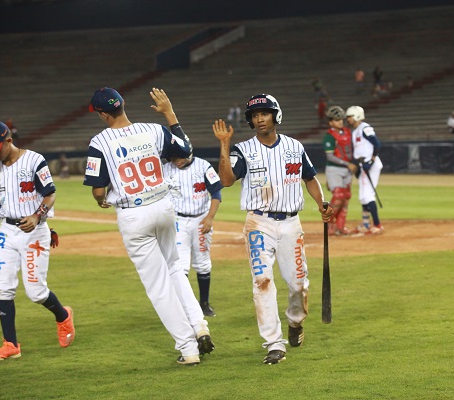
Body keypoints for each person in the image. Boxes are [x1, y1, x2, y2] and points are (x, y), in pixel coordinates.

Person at [84, 87, 213, 366]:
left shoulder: (99, 142)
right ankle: (199, 324)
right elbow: (186, 149)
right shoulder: (154, 130)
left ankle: (188, 348)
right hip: (164, 207)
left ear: (103, 114)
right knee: (175, 268)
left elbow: (97, 190)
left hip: (134, 215)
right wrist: (169, 114)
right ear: (123, 104)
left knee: (158, 286)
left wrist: (102, 199)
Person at [212, 93, 333, 365]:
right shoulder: (243, 150)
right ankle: (274, 344)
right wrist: (224, 145)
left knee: (298, 285)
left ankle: (295, 321)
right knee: (262, 282)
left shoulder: (294, 147)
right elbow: (227, 180)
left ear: (275, 115)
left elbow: (310, 178)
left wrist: (322, 203)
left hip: (291, 224)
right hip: (258, 223)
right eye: (255, 116)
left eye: (264, 113)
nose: (259, 119)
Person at [0, 120, 75, 361]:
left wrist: (37, 215)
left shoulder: (34, 160)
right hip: (7, 232)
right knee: (3, 287)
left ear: (9, 140)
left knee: (36, 293)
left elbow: (50, 193)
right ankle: (10, 344)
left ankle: (63, 316)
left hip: (34, 231)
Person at [163, 153, 223, 317]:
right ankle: (184, 306)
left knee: (202, 263)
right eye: (173, 159)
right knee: (180, 265)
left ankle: (204, 304)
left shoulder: (203, 166)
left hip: (200, 220)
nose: (176, 161)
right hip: (177, 221)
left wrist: (210, 218)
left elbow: (216, 193)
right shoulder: (166, 169)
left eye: (179, 157)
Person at [346, 106, 384, 235]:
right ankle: (366, 224)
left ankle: (377, 225)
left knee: (367, 194)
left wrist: (371, 161)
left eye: (350, 117)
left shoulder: (365, 128)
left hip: (370, 165)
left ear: (356, 116)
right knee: (363, 196)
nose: (348, 119)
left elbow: (377, 144)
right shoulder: (355, 131)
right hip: (363, 165)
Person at [322, 105, 358, 236]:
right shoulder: (329, 136)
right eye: (336, 120)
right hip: (335, 169)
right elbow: (330, 156)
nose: (340, 122)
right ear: (331, 122)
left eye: (341, 119)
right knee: (338, 196)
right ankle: (330, 224)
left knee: (346, 197)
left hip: (347, 170)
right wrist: (347, 164)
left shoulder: (348, 132)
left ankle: (341, 227)